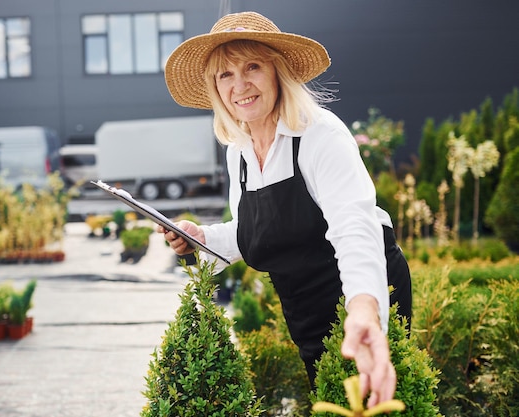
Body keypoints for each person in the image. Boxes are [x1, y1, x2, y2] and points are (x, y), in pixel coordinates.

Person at [160, 11, 412, 407]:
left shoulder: (320, 135)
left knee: (374, 405)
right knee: (333, 404)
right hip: (304, 311)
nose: (239, 85)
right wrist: (204, 238)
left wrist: (363, 310)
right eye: (225, 75)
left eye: (252, 67)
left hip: (364, 295)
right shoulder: (238, 153)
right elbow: (256, 230)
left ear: (278, 72)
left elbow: (354, 227)